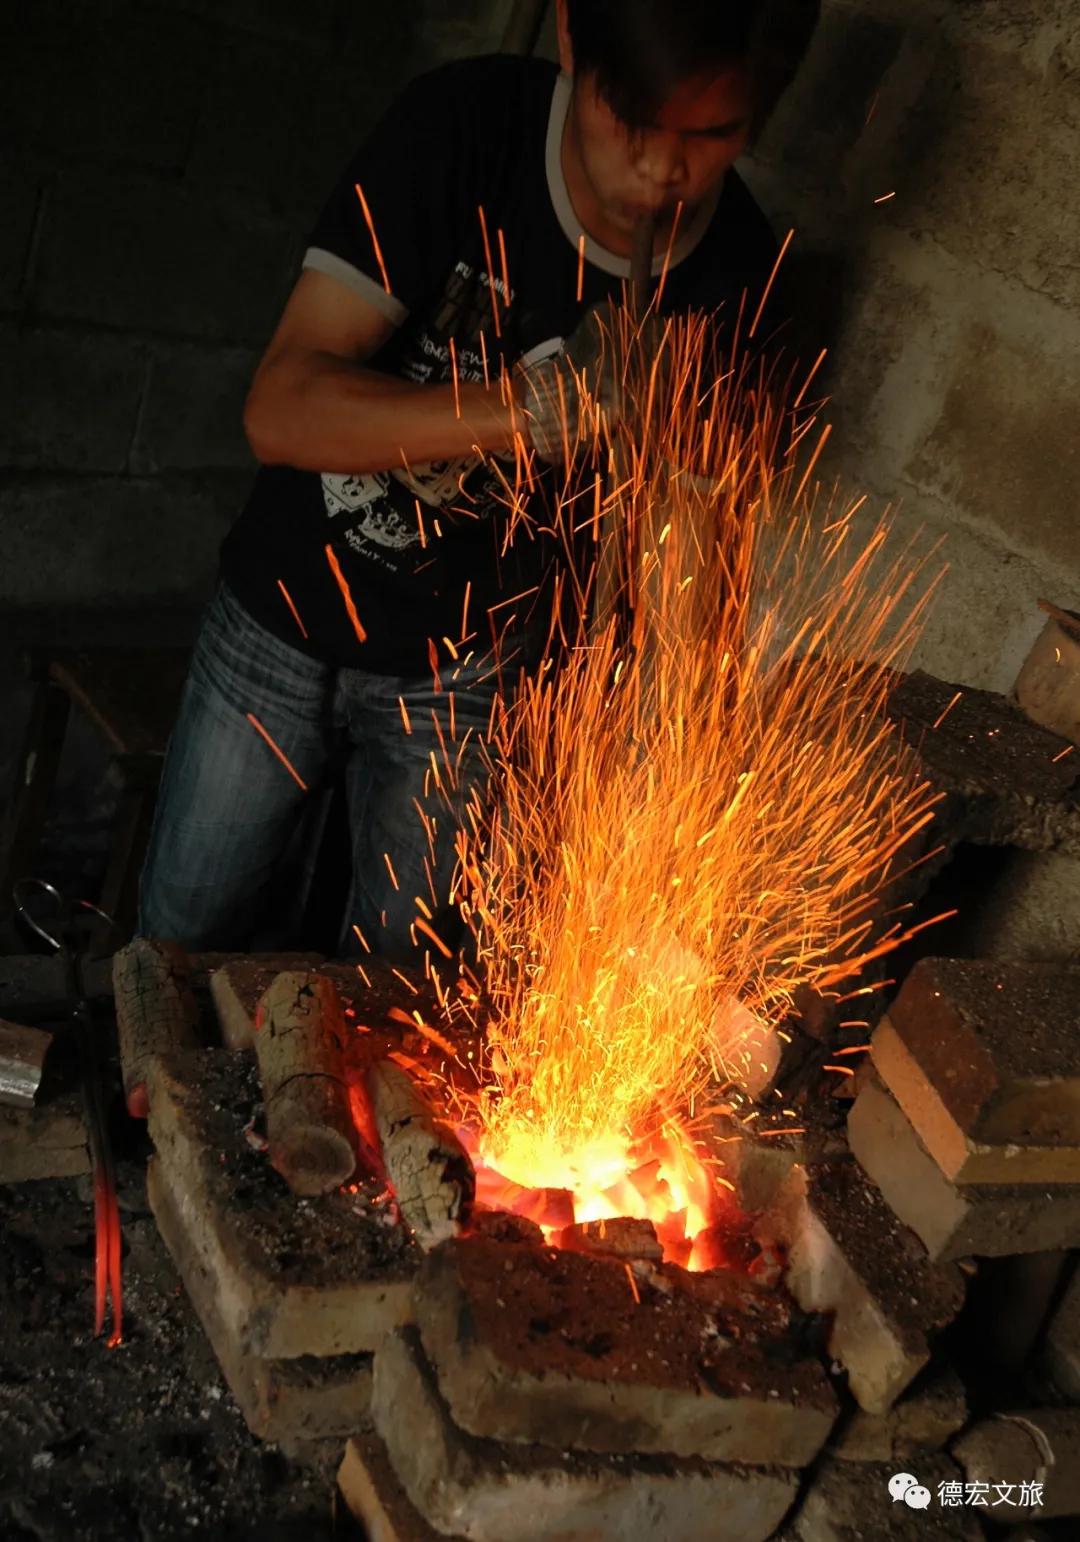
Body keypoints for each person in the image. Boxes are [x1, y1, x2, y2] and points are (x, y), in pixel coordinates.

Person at [136, 0, 819, 965]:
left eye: (711, 136)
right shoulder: (462, 128)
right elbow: (280, 409)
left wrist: (668, 777)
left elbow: (687, 550)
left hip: (468, 675)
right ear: (573, 40)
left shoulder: (734, 274)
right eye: (632, 122)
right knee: (177, 951)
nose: (665, 171)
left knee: (403, 999)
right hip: (280, 619)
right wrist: (524, 412)